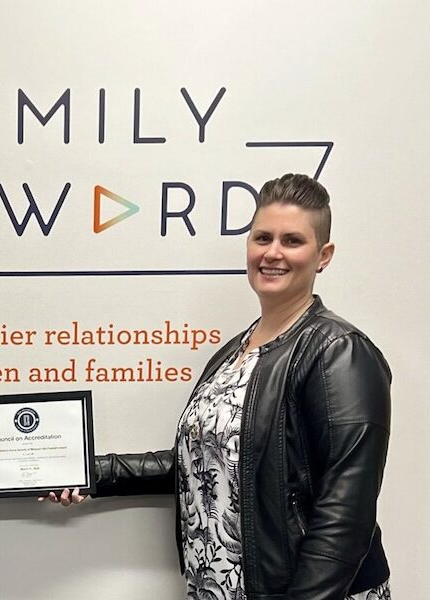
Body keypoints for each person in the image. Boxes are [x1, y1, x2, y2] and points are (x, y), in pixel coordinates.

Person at [45, 174, 392, 600]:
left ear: (324, 255)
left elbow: (346, 515)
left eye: (292, 240)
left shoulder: (339, 352)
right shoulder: (235, 353)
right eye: (262, 237)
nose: (273, 253)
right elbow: (205, 464)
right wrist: (89, 473)